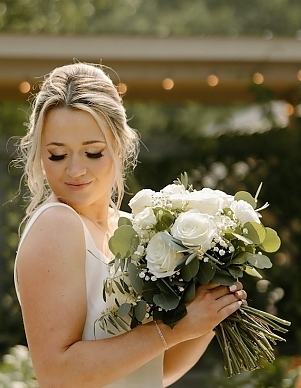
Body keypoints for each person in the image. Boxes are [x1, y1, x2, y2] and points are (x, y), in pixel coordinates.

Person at [14, 62, 247, 388]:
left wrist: (209, 312)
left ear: (120, 145)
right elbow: (57, 373)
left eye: (92, 152)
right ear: (39, 154)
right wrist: (176, 328)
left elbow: (154, 370)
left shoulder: (130, 229)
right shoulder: (57, 225)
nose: (75, 170)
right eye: (57, 155)